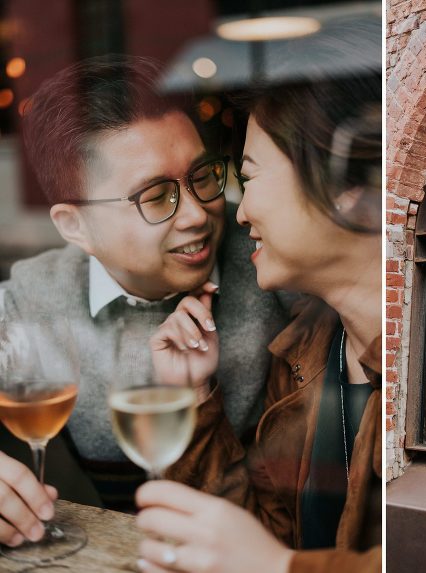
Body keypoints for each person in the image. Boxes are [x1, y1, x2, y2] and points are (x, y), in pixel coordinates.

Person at [0, 55, 288, 546]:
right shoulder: (32, 297)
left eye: (203, 176)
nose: (198, 215)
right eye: (155, 196)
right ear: (76, 226)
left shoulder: (280, 261)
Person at [133, 69, 382, 571]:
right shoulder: (302, 352)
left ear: (341, 185)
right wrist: (196, 397)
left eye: (248, 177)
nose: (239, 213)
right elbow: (249, 541)